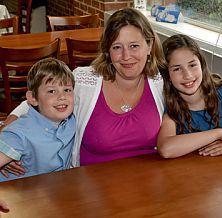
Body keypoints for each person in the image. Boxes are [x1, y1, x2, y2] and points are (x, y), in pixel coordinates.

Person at [1, 7, 166, 176]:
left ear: (150, 45)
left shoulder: (161, 82)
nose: (126, 56)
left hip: (148, 183)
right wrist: (6, 144)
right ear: (108, 51)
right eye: (117, 47)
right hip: (89, 187)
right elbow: (35, 102)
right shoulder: (85, 80)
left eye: (134, 46)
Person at [157, 34, 222, 158]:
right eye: (177, 69)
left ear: (202, 65)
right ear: (167, 75)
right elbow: (166, 149)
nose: (188, 75)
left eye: (192, 65)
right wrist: (220, 134)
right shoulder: (171, 105)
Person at [0, 58, 75, 181]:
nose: (62, 97)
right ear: (33, 98)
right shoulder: (19, 134)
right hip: (17, 195)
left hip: (53, 192)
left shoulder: (72, 121)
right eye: (51, 91)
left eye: (67, 90)